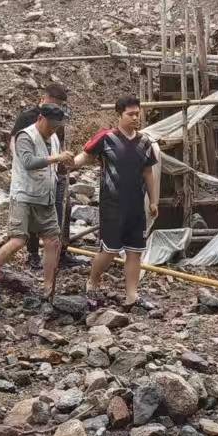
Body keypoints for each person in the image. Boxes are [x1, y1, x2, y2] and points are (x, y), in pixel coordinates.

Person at [76, 96, 159, 309]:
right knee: (110, 250)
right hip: (112, 205)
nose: (135, 117)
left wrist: (154, 200)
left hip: (136, 205)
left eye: (137, 113)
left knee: (135, 251)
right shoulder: (106, 138)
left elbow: (148, 172)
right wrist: (67, 165)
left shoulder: (145, 142)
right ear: (119, 115)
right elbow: (85, 156)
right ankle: (92, 282)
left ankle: (132, 295)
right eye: (130, 114)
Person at [0, 103, 72, 297]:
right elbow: (28, 162)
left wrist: (65, 164)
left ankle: (48, 286)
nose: (53, 129)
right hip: (24, 195)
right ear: (40, 119)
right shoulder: (25, 136)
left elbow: (55, 165)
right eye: (50, 125)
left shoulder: (54, 139)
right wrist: (57, 158)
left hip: (46, 196)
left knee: (52, 241)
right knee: (18, 240)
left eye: (56, 126)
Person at [10, 82, 70, 270]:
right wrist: (21, 165)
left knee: (61, 210)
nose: (55, 108)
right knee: (33, 214)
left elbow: (58, 144)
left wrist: (63, 163)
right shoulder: (28, 118)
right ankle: (33, 254)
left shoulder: (58, 119)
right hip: (33, 175)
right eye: (52, 103)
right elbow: (15, 143)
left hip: (54, 173)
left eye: (59, 105)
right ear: (42, 100)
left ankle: (61, 253)